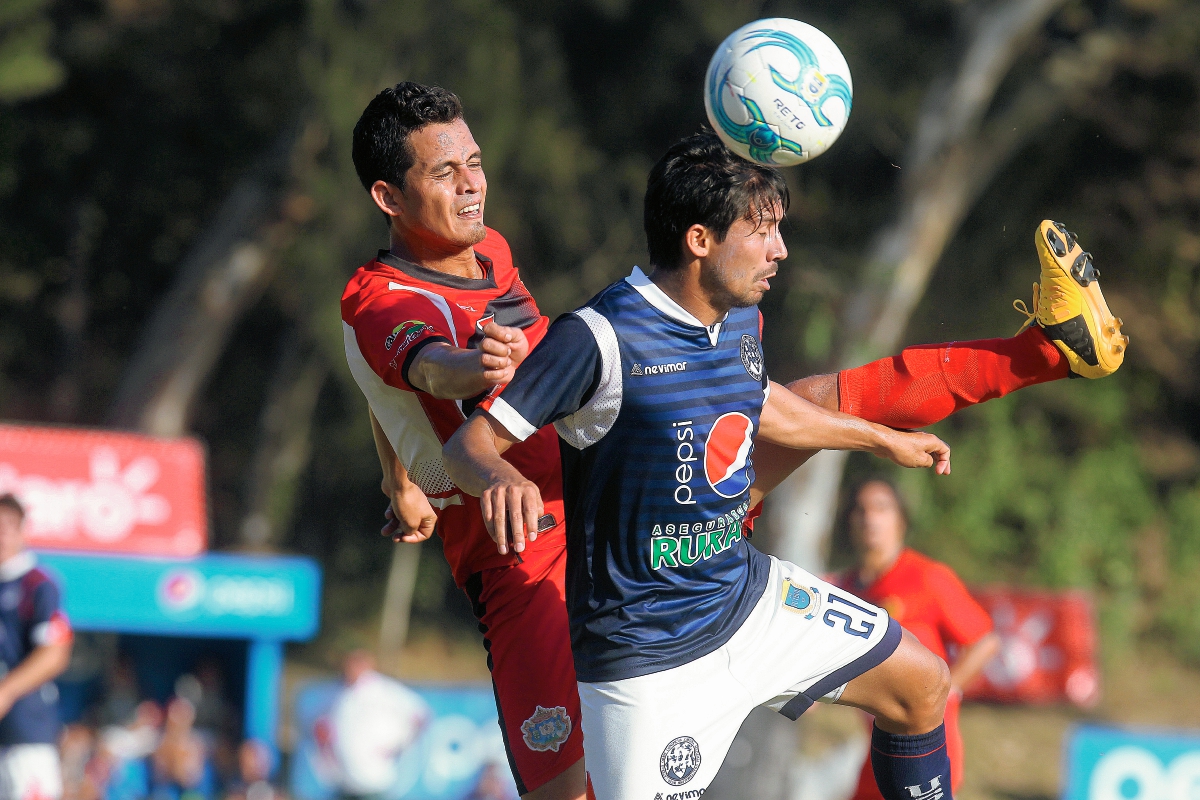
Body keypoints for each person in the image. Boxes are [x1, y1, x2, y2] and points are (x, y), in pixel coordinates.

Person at [344, 83, 1124, 800]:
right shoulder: (382, 299)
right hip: (530, 556)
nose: (471, 185)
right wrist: (462, 400)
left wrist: (401, 475)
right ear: (388, 196)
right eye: (445, 173)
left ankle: (1048, 350)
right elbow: (421, 368)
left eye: (474, 163)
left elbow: (384, 382)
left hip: (639, 497)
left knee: (802, 404)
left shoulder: (491, 251)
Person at [836, 479, 1001, 800]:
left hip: (923, 754)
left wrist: (946, 691)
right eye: (860, 509)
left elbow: (985, 641)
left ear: (901, 519)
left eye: (881, 508)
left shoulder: (927, 576)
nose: (870, 518)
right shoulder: (846, 589)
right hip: (877, 749)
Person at [0, 493, 74, 800]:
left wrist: (6, 690)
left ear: (22, 531)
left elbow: (55, 653)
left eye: (8, 526)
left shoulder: (38, 583)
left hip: (25, 732)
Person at [325, 650, 428, 800]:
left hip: (373, 781)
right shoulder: (341, 691)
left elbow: (419, 715)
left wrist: (399, 745)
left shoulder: (383, 690)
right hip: (345, 781)